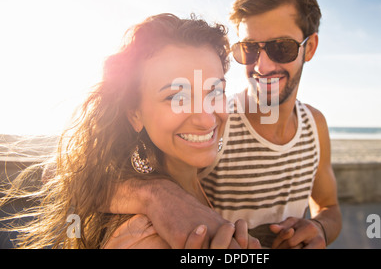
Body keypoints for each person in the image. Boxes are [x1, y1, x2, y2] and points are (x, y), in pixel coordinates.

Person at [107, 0, 342, 249]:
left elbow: (329, 205)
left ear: (309, 47)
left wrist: (320, 228)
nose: (262, 66)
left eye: (281, 47)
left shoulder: (315, 125)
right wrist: (156, 195)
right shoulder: (215, 123)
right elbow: (102, 177)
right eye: (250, 49)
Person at [0, 13, 259, 249]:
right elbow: (55, 173)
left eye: (215, 91)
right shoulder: (146, 238)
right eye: (177, 97)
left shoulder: (195, 167)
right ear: (135, 114)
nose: (205, 119)